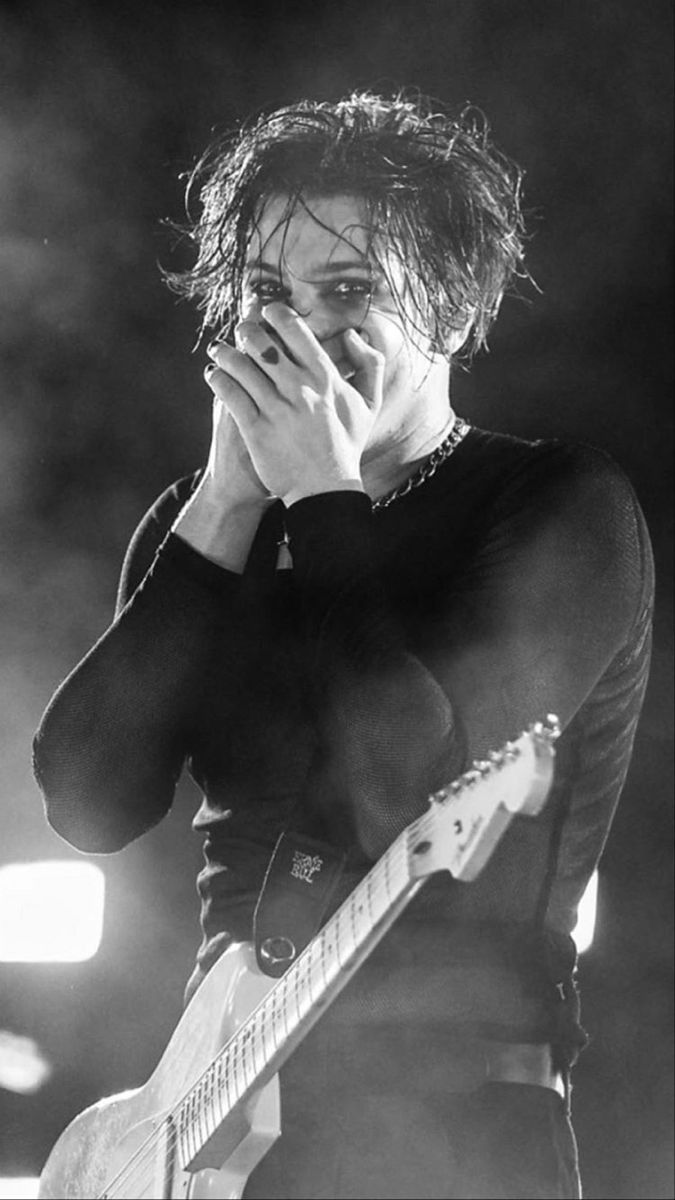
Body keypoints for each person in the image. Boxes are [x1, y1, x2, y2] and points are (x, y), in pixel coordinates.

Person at [33, 91, 653, 1199]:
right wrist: (225, 501)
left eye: (352, 291)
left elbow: (403, 782)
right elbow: (89, 798)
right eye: (268, 294)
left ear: (455, 312)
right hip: (222, 1116)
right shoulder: (210, 517)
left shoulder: (559, 506)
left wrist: (322, 494)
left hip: (457, 1131)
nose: (301, 334)